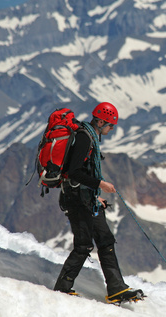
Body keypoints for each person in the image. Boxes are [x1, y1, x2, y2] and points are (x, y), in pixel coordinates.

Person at [53, 102, 144, 304]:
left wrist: (95, 194)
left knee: (105, 240)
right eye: (110, 126)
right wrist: (100, 184)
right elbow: (73, 172)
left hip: (86, 198)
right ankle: (62, 287)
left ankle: (116, 289)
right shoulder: (85, 139)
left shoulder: (89, 136)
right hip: (77, 200)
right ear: (101, 121)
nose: (111, 130)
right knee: (84, 245)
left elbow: (80, 173)